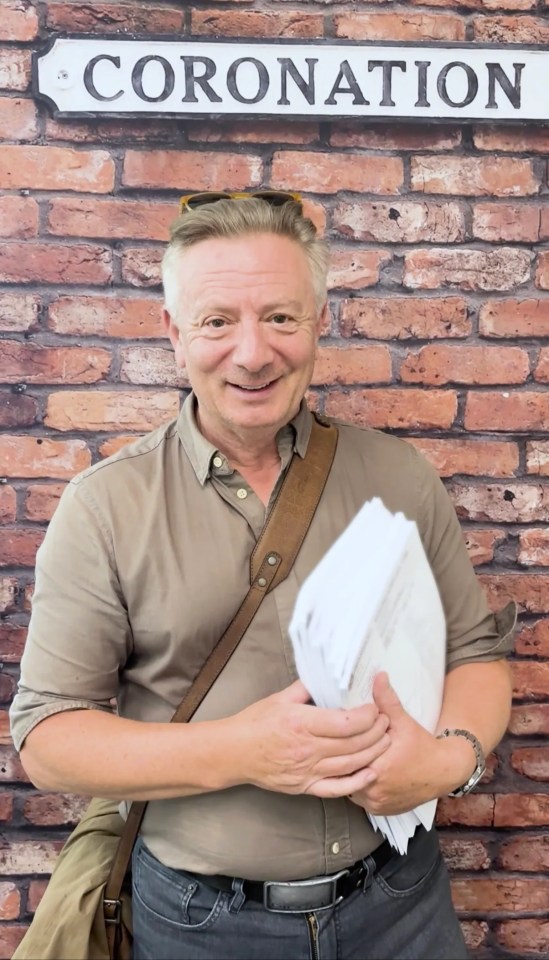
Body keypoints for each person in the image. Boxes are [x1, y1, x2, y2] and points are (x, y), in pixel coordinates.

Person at [11, 191, 515, 960]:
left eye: (280, 317)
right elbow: (48, 739)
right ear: (175, 335)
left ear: (318, 323)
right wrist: (242, 751)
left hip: (400, 905)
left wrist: (445, 760)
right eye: (218, 321)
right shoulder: (106, 507)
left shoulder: (398, 475)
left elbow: (474, 657)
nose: (252, 352)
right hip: (198, 924)